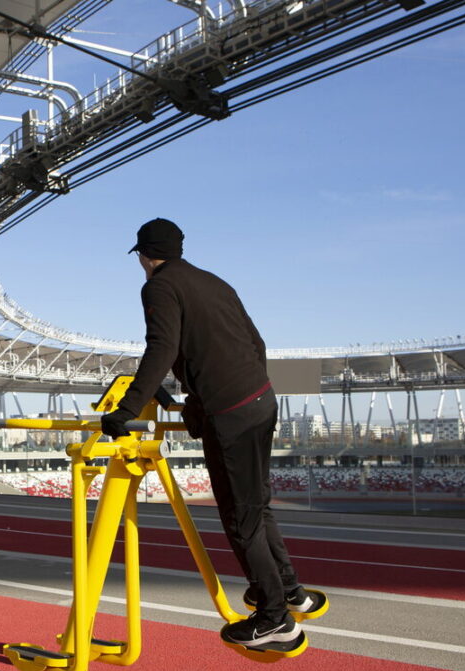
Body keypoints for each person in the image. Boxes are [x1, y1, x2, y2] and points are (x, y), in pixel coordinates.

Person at [100, 217, 326, 648]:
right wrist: (200, 403)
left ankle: (275, 618)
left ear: (145, 257)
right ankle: (288, 592)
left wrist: (125, 410)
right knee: (258, 507)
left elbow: (163, 348)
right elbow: (256, 345)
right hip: (260, 399)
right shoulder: (216, 283)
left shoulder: (159, 286)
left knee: (240, 521)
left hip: (233, 414)